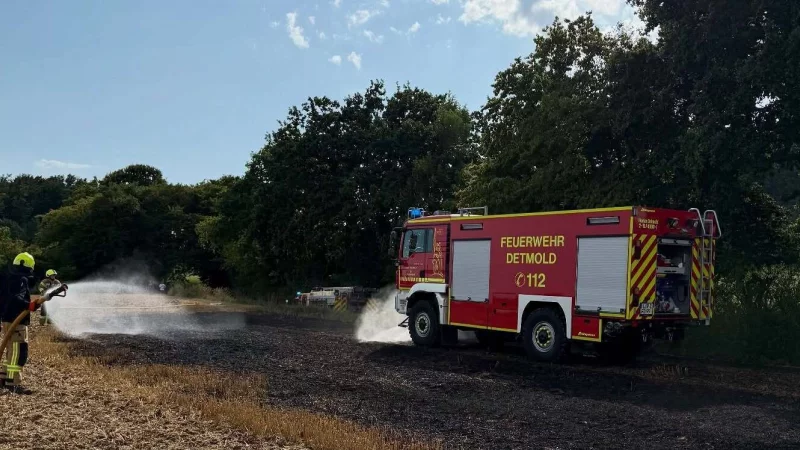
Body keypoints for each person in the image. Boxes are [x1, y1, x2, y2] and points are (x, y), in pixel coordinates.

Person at [0, 252, 40, 394]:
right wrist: (28, 305)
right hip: (17, 321)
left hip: (7, 319)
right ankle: (13, 383)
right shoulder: (21, 280)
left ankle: (4, 378)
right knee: (18, 352)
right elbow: (16, 298)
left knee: (11, 350)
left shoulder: (8, 278)